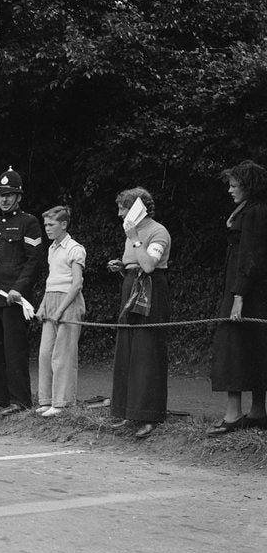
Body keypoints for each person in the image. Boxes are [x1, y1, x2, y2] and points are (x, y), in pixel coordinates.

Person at [0, 166, 44, 415]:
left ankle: (20, 400)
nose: (4, 199)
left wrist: (19, 289)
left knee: (14, 350)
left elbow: (34, 261)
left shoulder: (29, 223)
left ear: (19, 197)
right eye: (1, 194)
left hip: (13, 298)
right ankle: (0, 398)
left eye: (10, 194)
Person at [207, 160, 267, 435]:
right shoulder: (252, 210)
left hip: (246, 290)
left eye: (234, 185)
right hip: (250, 288)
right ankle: (257, 411)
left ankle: (234, 415)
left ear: (248, 186)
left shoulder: (256, 213)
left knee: (232, 346)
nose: (230, 190)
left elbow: (251, 257)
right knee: (254, 345)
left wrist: (238, 296)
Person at [107, 187, 171, 438]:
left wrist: (134, 237)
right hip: (131, 287)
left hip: (152, 292)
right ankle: (127, 411)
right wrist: (122, 268)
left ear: (137, 209)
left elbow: (148, 265)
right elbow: (136, 265)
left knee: (147, 351)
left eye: (124, 208)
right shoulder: (130, 233)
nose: (120, 213)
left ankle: (148, 415)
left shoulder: (158, 231)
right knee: (128, 349)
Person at [35, 206, 86, 417]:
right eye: (45, 224)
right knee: (45, 353)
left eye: (51, 224)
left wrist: (60, 310)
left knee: (62, 355)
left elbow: (76, 284)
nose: (47, 228)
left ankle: (62, 403)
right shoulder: (52, 249)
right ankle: (46, 400)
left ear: (63, 225)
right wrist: (43, 306)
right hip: (51, 300)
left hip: (69, 302)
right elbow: (51, 281)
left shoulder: (75, 249)